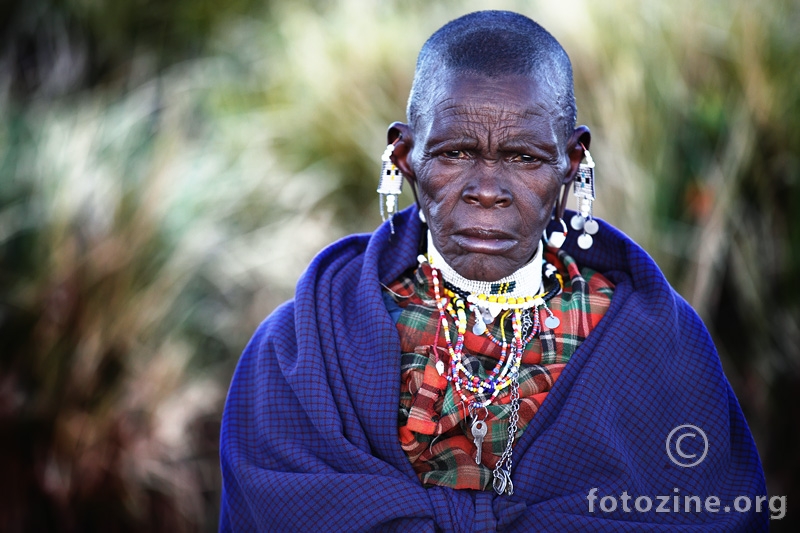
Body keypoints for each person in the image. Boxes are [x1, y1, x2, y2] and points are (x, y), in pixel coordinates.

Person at [219, 11, 767, 532]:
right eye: (455, 153)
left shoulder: (653, 342)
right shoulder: (306, 344)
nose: (486, 190)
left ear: (571, 164)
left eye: (525, 158)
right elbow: (280, 509)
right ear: (405, 158)